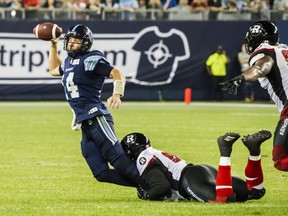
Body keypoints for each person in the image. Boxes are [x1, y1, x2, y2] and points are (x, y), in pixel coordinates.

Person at [48, 24, 147, 189]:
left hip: (96, 116)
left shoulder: (91, 58)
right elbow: (52, 69)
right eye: (70, 40)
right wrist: (53, 45)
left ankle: (162, 187)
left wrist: (117, 94)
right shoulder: (68, 61)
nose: (71, 44)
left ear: (85, 43)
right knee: (101, 173)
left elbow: (117, 73)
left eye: (76, 41)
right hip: (85, 123)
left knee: (118, 160)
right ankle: (148, 186)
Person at [120, 130, 272, 202]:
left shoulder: (143, 159)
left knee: (221, 201)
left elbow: (162, 186)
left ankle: (225, 151)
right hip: (202, 171)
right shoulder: (151, 152)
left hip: (190, 180)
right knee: (255, 191)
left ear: (129, 152)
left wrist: (147, 194)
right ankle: (254, 152)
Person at [220, 20, 288, 171]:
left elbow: (262, 67)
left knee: (281, 160)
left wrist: (242, 77)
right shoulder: (283, 49)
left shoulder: (265, 52)